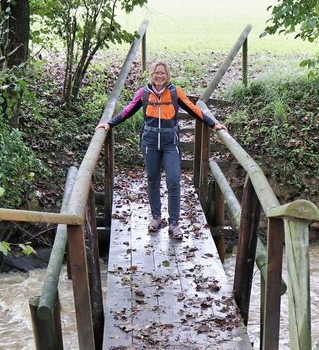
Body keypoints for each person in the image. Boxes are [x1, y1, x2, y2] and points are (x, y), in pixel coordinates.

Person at [96, 61, 226, 240]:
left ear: (167, 75)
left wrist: (214, 124)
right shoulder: (144, 93)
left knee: (173, 181)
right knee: (153, 180)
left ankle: (174, 223)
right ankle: (156, 218)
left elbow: (194, 109)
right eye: (156, 73)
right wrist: (109, 124)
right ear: (151, 75)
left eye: (163, 73)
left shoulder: (175, 92)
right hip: (149, 143)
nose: (159, 76)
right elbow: (127, 111)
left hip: (170, 143)